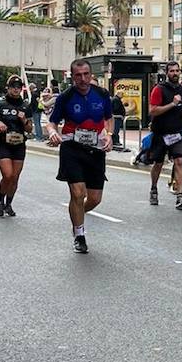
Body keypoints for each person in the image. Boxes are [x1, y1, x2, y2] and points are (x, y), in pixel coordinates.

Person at [45, 59, 113, 253]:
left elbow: (108, 119)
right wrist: (52, 133)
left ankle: (76, 213)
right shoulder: (65, 97)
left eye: (86, 74)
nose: (83, 79)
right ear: (72, 76)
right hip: (72, 148)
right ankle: (79, 234)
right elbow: (52, 122)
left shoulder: (102, 95)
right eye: (78, 75)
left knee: (94, 199)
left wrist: (109, 135)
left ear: (91, 75)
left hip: (96, 150)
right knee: (77, 193)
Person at [147, 61, 182, 211]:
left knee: (179, 161)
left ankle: (180, 195)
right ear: (167, 73)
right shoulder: (159, 89)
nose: (175, 73)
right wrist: (172, 104)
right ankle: (153, 188)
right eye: (172, 71)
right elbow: (153, 111)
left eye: (177, 71)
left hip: (177, 132)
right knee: (158, 163)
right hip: (160, 133)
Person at [0, 74, 34, 217]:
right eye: (13, 87)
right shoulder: (0, 104)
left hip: (19, 144)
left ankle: (8, 204)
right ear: (8, 88)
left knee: (15, 177)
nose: (15, 90)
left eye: (18, 87)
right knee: (7, 175)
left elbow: (30, 129)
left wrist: (24, 121)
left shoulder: (25, 106)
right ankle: (0, 200)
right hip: (4, 144)